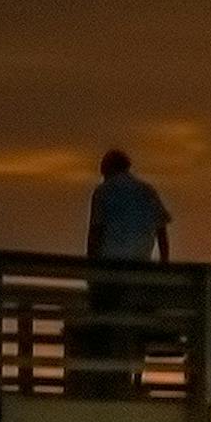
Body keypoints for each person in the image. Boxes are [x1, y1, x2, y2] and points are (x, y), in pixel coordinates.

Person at [78, 149, 173, 397]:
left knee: (106, 324)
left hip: (110, 268)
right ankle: (135, 378)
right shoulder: (147, 191)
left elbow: (96, 232)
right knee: (137, 327)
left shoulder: (103, 192)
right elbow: (162, 230)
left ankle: (107, 380)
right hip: (142, 270)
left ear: (107, 169)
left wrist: (92, 267)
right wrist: (163, 263)